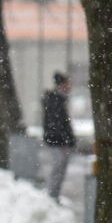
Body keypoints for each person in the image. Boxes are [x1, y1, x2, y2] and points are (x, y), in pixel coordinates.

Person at [41, 71, 76, 201]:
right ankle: (52, 195)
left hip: (57, 140)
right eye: (67, 84)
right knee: (59, 166)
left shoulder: (57, 99)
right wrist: (66, 139)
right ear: (61, 85)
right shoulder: (56, 100)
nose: (69, 87)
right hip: (57, 141)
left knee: (59, 167)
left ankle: (53, 194)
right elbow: (58, 123)